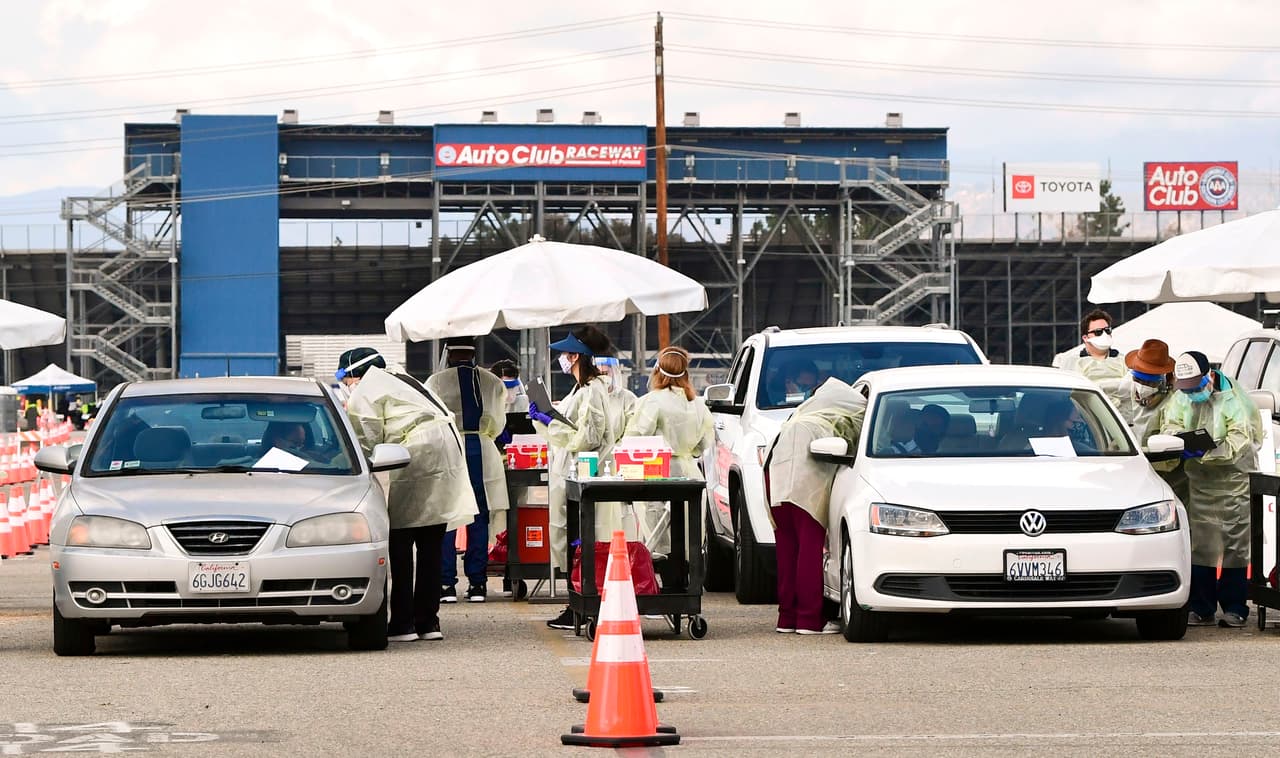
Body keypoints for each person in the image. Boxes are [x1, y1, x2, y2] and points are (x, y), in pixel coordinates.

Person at [341, 347, 479, 643]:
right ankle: (428, 622)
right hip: (446, 450)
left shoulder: (366, 388)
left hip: (417, 452)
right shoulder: (401, 378)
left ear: (355, 373)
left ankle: (403, 623)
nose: (347, 383)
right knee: (431, 543)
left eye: (346, 377)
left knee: (400, 542)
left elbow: (365, 437)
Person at [1158, 350, 1263, 628]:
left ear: (1209, 376)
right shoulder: (1182, 396)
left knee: (1234, 543)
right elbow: (1171, 423)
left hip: (1233, 481)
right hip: (1199, 482)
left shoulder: (1234, 400)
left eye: (1195, 387)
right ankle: (1201, 606)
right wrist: (1177, 443)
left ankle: (1235, 606)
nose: (1191, 394)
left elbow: (1242, 438)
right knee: (1201, 543)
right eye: (1186, 389)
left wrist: (1208, 451)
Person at [528, 325, 622, 630]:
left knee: (578, 541)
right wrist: (548, 417)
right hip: (570, 473)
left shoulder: (593, 390)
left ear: (578, 356)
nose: (563, 358)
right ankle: (575, 602)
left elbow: (589, 438)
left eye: (567, 353)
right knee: (569, 540)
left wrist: (550, 423)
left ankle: (580, 604)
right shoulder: (581, 389)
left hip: (582, 473)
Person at [766, 378, 867, 634]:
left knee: (787, 552)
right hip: (807, 489)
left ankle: (786, 618)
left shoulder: (796, 418)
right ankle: (810, 620)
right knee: (809, 552)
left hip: (775, 485)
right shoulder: (831, 421)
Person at [425, 336, 510, 604]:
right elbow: (498, 422)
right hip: (482, 447)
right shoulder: (492, 381)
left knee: (448, 516)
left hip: (449, 448)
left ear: (448, 353)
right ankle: (478, 584)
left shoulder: (436, 381)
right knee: (479, 516)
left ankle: (446, 584)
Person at [624, 346, 714, 563]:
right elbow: (703, 445)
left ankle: (665, 581)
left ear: (658, 372)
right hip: (691, 474)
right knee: (688, 529)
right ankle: (688, 579)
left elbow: (635, 437)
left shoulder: (651, 401)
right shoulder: (698, 405)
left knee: (658, 534)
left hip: (658, 473)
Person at [1115, 340, 1189, 505]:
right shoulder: (1129, 391)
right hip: (1135, 471)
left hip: (1168, 475)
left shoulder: (1174, 402)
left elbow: (1169, 452)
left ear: (1163, 381)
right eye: (1139, 380)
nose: (1142, 387)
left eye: (1149, 383)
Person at [1053, 308, 1127, 408]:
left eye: (1107, 330)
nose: (1104, 335)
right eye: (1098, 332)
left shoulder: (1124, 361)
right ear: (1085, 338)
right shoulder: (1072, 362)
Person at [595, 354, 638, 434]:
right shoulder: (587, 397)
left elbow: (634, 429)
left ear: (613, 372)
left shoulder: (627, 398)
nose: (602, 378)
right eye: (598, 374)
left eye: (605, 373)